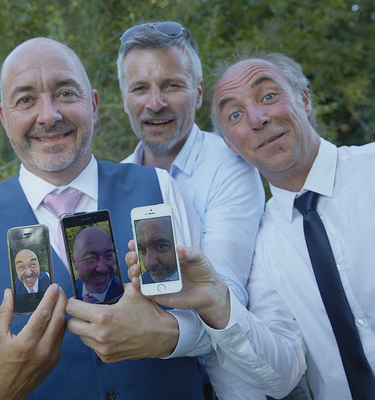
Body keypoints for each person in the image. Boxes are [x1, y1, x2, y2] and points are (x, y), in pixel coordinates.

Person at [0, 37, 233, 399]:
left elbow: (218, 328)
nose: (49, 115)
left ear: (93, 103)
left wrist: (169, 334)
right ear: (2, 117)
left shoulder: (159, 188)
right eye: (26, 100)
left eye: (66, 93)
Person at [129, 52, 375, 400]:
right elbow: (282, 374)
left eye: (269, 97)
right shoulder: (264, 246)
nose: (257, 119)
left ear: (304, 100)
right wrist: (215, 301)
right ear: (230, 144)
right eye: (235, 114)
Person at [118, 21, 266, 399]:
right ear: (123, 99)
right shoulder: (114, 180)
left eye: (171, 85)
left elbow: (224, 294)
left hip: (225, 384)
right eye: (140, 88)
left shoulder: (230, 166)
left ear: (198, 93)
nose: (155, 103)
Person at [72, 226, 122, 303]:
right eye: (90, 258)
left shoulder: (122, 293)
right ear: (75, 262)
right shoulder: (69, 293)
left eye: (108, 256)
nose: (102, 268)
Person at [135, 217, 178, 283]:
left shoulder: (195, 276)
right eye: (142, 249)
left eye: (161, 246)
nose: (148, 263)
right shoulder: (144, 281)